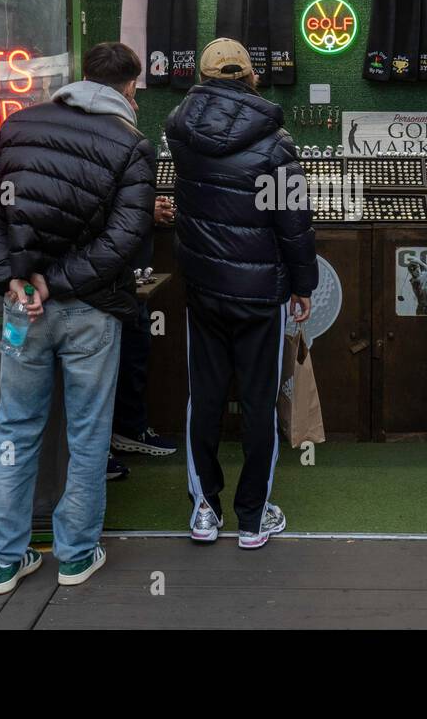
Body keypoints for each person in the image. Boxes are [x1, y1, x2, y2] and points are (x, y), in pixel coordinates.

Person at [0, 42, 156, 595]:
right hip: (90, 310)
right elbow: (125, 238)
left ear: (78, 81)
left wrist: (13, 280)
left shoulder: (16, 126)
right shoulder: (132, 146)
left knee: (15, 426)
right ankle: (74, 556)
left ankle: (1, 559)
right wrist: (62, 282)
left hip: (21, 309)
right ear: (129, 89)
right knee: (88, 431)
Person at [166, 38, 317, 549]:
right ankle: (252, 518)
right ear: (251, 76)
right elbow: (293, 222)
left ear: (202, 77)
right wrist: (303, 284)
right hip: (259, 293)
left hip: (205, 289)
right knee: (258, 402)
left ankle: (204, 511)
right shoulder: (277, 143)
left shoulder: (180, 134)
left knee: (203, 400)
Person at [108, 194, 179, 469]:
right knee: (103, 366)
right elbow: (98, 206)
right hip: (107, 279)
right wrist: (143, 211)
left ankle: (127, 430)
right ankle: (97, 454)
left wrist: (147, 210)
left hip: (126, 277)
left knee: (133, 350)